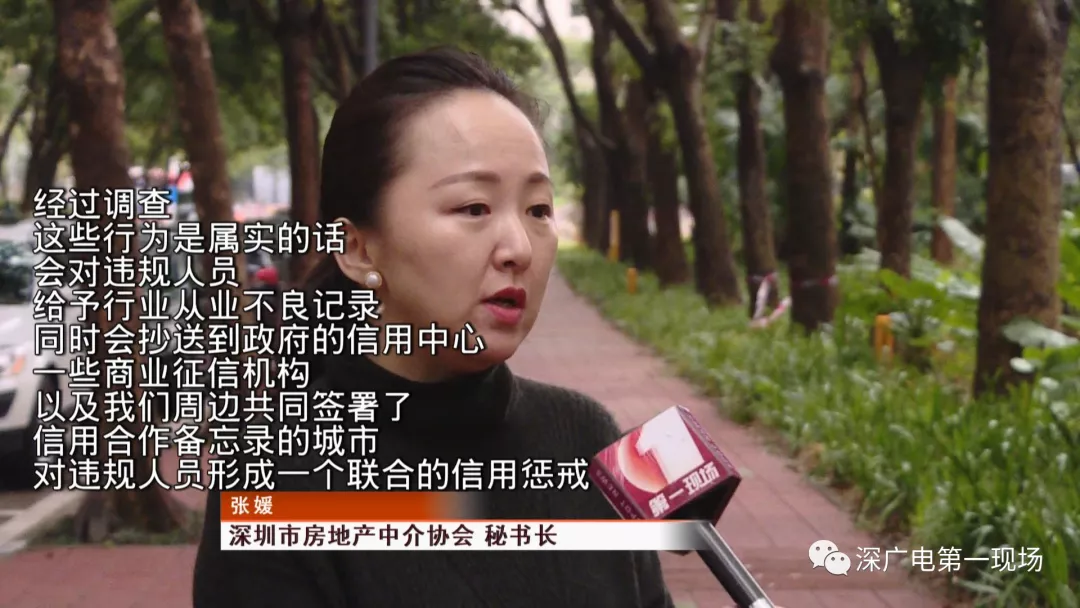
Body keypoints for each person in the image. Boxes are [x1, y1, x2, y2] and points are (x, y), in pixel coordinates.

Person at [193, 46, 676, 607]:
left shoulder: (584, 439)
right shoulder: (277, 477)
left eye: (538, 210)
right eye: (473, 208)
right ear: (357, 248)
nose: (519, 248)